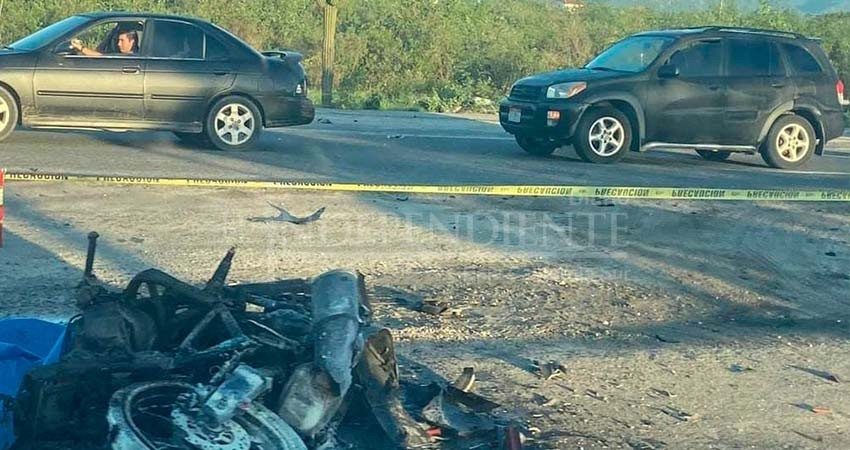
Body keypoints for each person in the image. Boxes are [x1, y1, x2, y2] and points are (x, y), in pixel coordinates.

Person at [71, 30, 138, 56]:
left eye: (122, 40)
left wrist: (81, 48)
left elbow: (100, 57)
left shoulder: (133, 58)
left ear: (132, 42)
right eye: (118, 40)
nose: (118, 44)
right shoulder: (121, 55)